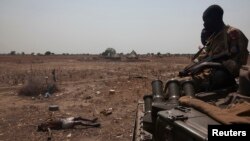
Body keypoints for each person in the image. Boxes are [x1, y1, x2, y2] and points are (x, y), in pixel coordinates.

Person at [182, 4, 249, 91]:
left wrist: (205, 65)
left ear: (215, 19)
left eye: (206, 20)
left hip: (225, 74)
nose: (204, 24)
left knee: (217, 77)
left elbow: (235, 66)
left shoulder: (233, 33)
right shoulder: (213, 37)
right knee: (183, 81)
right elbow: (206, 57)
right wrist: (190, 67)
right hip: (210, 72)